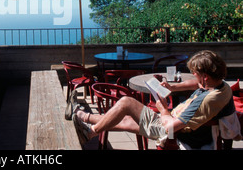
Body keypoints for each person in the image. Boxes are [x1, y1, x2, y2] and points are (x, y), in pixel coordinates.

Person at [72, 50, 241, 149]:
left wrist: (162, 108)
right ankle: (82, 116)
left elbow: (170, 127)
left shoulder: (207, 100)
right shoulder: (221, 86)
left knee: (126, 103)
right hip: (180, 125)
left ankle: (90, 132)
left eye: (196, 74)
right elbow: (195, 84)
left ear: (204, 76)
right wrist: (173, 87)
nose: (194, 78)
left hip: (172, 132)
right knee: (127, 119)